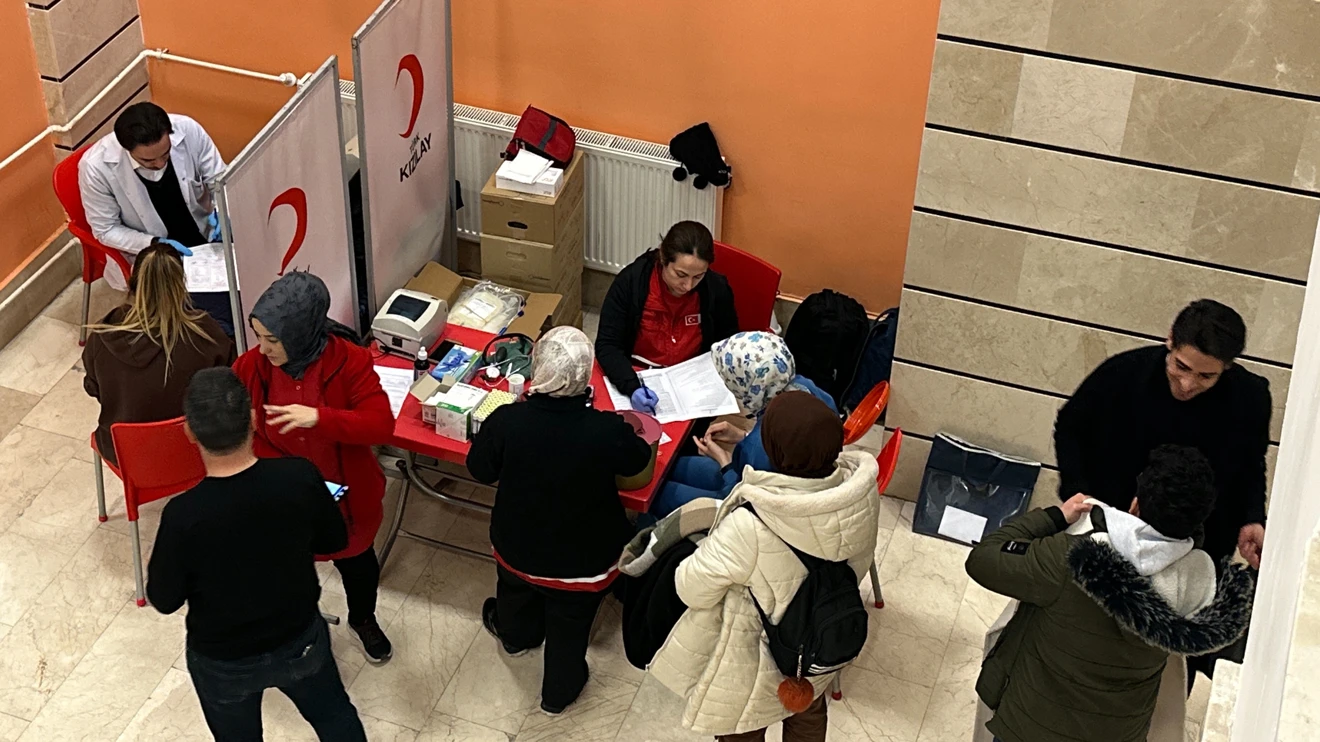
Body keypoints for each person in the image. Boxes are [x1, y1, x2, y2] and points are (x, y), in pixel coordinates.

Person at [966, 445, 1254, 742]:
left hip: (1032, 728)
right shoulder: (1204, 585)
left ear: (1135, 505)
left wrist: (1055, 517)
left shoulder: (1070, 558)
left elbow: (983, 559)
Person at [1053, 299, 1270, 686]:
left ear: (1228, 368)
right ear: (1169, 342)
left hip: (1202, 538)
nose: (1187, 384)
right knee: (1098, 636)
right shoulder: (1124, 373)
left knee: (1174, 659)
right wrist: (1076, 493)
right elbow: (1070, 425)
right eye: (1181, 367)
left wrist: (1253, 515)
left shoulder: (1251, 398)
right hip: (1118, 524)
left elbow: (1250, 463)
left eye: (1206, 377)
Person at [147, 368, 367, 742]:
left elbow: (164, 600)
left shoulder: (184, 515)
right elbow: (334, 540)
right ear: (252, 418)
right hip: (299, 637)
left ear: (189, 431)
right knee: (334, 717)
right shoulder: (298, 477)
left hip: (224, 658)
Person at [648, 391, 880, 740]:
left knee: (743, 727)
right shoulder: (860, 496)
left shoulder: (752, 522)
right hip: (819, 645)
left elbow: (690, 586)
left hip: (754, 660)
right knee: (809, 714)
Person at [467, 326, 653, 715]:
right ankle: (558, 694)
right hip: (580, 565)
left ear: (538, 371)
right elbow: (637, 459)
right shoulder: (604, 430)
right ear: (585, 378)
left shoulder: (506, 419)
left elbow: (479, 469)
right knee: (569, 629)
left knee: (514, 594)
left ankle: (516, 636)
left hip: (516, 547)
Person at [232, 272, 395, 664]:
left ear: (301, 332)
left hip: (346, 499)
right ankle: (299, 629)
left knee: (357, 566)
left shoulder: (351, 362)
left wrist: (319, 418)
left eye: (273, 340)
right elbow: (242, 432)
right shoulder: (250, 368)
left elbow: (379, 424)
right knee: (289, 575)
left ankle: (364, 619)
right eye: (259, 337)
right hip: (285, 497)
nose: (263, 349)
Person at [79, 101, 234, 333]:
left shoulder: (188, 131)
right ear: (127, 150)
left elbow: (220, 180)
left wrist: (222, 212)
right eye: (148, 161)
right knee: (211, 321)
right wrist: (153, 243)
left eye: (165, 154)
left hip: (205, 236)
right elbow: (105, 229)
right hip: (157, 255)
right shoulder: (96, 168)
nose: (160, 164)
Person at [650, 331, 836, 518]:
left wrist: (724, 461)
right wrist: (742, 437)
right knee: (667, 469)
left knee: (659, 494)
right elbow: (786, 449)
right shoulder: (811, 392)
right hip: (794, 487)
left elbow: (738, 500)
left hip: (753, 507)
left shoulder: (757, 448)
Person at [83, 241, 234, 466]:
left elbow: (93, 388)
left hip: (128, 457)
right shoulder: (206, 332)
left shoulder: (101, 337)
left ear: (132, 281)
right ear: (182, 284)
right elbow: (230, 382)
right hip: (196, 450)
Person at [596, 220, 738, 413]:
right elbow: (607, 345)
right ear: (663, 258)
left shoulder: (716, 290)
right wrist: (631, 386)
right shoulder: (631, 283)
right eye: (680, 274)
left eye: (698, 277)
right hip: (637, 374)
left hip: (692, 383)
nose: (688, 285)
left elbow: (727, 344)